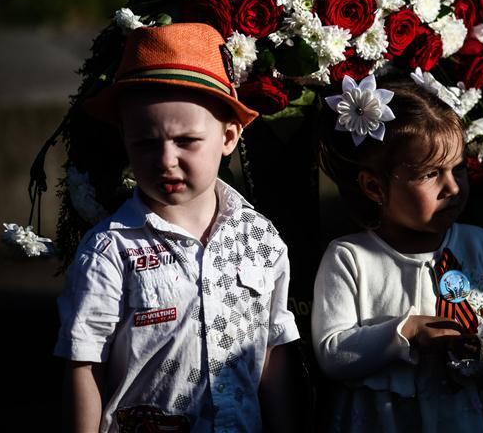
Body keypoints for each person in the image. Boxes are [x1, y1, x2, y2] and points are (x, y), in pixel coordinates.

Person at [54, 22, 303, 433]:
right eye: (146, 143)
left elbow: (274, 351)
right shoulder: (110, 249)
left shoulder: (260, 239)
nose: (165, 160)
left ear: (228, 136)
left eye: (186, 141)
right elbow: (84, 362)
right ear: (125, 140)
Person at [312, 73, 483, 432]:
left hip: (475, 417)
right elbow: (332, 354)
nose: (452, 186)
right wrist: (405, 332)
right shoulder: (349, 258)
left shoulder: (482, 248)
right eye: (431, 173)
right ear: (374, 186)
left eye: (458, 168)